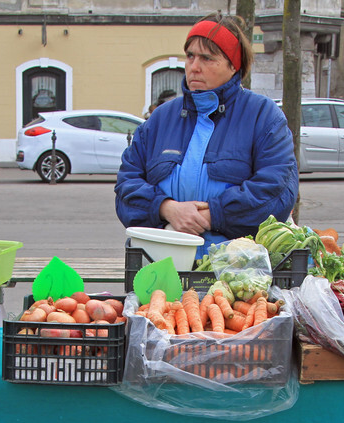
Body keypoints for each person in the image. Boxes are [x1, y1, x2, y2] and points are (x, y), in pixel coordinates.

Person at [115, 13, 299, 257]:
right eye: (190, 56)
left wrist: (213, 215)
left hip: (237, 272)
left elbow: (277, 192)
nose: (194, 66)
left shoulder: (263, 116)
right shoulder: (160, 119)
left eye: (207, 58)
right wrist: (166, 208)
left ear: (234, 65)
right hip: (161, 263)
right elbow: (127, 188)